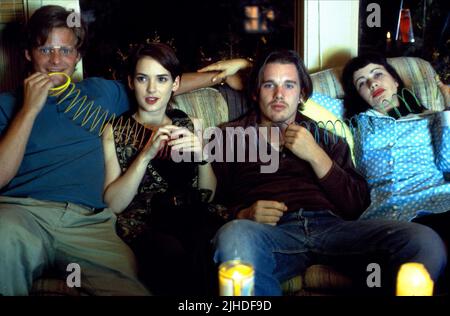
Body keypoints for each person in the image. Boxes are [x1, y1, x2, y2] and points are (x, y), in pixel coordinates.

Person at [0, 5, 224, 296]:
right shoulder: (7, 105)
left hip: (90, 222)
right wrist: (28, 110)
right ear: (28, 53)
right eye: (45, 49)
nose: (56, 60)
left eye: (66, 51)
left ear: (77, 57)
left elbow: (157, 83)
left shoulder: (101, 93)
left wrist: (224, 74)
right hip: (22, 215)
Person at [210, 50, 447, 296]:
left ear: (302, 94)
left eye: (289, 85)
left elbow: (357, 205)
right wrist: (244, 213)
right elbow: (210, 203)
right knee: (234, 236)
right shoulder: (229, 136)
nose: (279, 94)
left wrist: (315, 155)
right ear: (255, 92)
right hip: (272, 235)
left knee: (423, 241)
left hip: (334, 230)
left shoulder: (327, 136)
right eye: (269, 85)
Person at [102, 42, 224, 295]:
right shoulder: (115, 130)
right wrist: (145, 154)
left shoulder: (186, 122)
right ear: (131, 82)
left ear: (175, 84)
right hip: (146, 224)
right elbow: (113, 204)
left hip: (189, 215)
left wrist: (202, 156)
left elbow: (208, 194)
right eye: (142, 78)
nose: (152, 88)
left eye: (161, 79)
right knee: (170, 252)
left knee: (205, 243)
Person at [341, 53, 450, 290]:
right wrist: (246, 68)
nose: (372, 83)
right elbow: (300, 94)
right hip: (384, 216)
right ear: (359, 95)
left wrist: (449, 108)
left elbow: (447, 162)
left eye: (377, 74)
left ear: (396, 81)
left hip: (438, 205)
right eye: (362, 83)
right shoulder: (357, 122)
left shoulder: (430, 118)